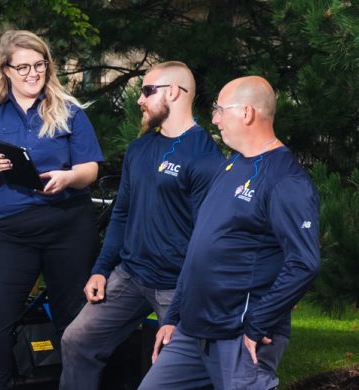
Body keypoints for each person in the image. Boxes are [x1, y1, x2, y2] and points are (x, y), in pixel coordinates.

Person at [140, 76, 320, 390]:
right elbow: (199, 248)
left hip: (239, 334)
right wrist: (173, 317)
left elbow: (304, 263)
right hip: (194, 328)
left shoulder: (286, 181)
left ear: (247, 113)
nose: (214, 119)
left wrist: (258, 323)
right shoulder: (232, 165)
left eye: (221, 110)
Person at [59, 61, 223, 389]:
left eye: (148, 91)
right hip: (131, 276)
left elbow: (207, 241)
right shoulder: (139, 148)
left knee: (176, 370)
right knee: (76, 340)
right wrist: (101, 270)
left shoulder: (205, 158)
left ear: (175, 93)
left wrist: (182, 307)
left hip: (177, 286)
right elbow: (121, 214)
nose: (140, 99)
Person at [0, 30, 103, 389]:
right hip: (16, 229)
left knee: (72, 317)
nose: (32, 73)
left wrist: (68, 177)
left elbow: (90, 170)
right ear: (5, 70)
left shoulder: (67, 108)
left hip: (68, 223)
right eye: (23, 66)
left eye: (39, 65)